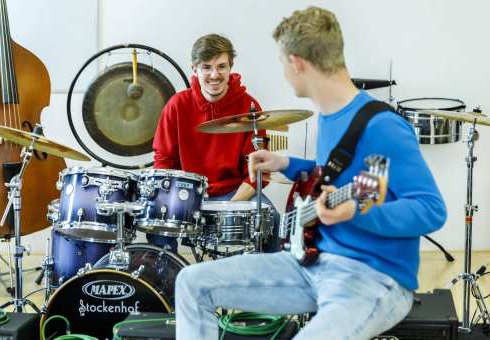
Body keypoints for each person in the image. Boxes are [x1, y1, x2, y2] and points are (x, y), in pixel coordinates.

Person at [174, 6, 447, 340]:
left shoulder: (383, 126)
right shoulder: (330, 116)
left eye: (281, 63)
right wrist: (287, 164)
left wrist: (356, 212)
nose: (284, 73)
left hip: (373, 277)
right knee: (191, 283)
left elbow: (429, 209)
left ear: (297, 64)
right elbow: (337, 177)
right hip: (313, 263)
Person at [151, 33, 278, 253]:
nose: (214, 75)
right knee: (156, 222)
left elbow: (258, 172)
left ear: (230, 67)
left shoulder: (249, 107)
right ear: (194, 69)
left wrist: (232, 206)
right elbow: (163, 161)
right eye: (206, 67)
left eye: (221, 67)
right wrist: (173, 198)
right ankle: (168, 281)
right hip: (187, 194)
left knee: (272, 219)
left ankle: (265, 283)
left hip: (233, 191)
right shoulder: (177, 105)